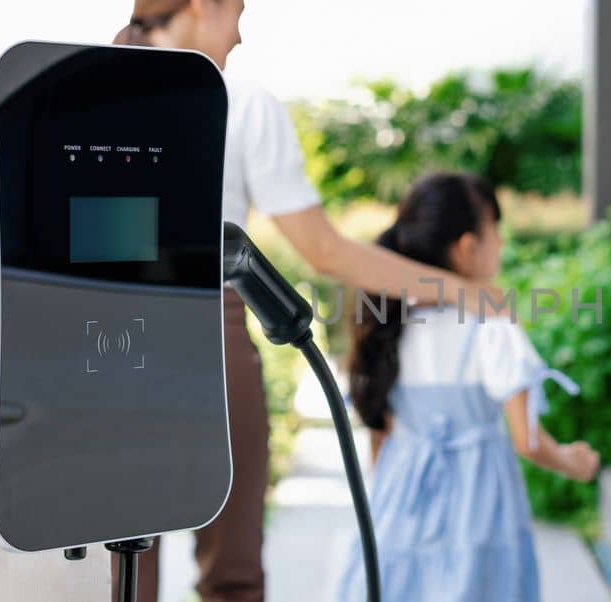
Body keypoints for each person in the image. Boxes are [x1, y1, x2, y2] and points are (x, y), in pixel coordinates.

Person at [113, 2, 504, 601]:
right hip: (204, 336)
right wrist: (464, 291)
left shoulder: (85, 90)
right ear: (200, 6)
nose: (240, 35)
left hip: (95, 330)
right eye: (236, 11)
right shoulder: (240, 103)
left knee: (119, 563)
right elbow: (324, 250)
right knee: (232, 570)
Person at [338, 173, 600, 602]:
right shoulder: (492, 323)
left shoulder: (389, 321)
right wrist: (571, 461)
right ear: (467, 247)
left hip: (401, 502)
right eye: (497, 231)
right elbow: (528, 440)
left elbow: (380, 440)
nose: (501, 243)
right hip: (480, 506)